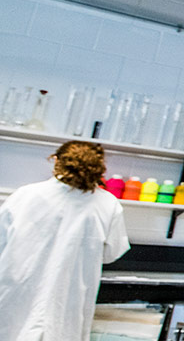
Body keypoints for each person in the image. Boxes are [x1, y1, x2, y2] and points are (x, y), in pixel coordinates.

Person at [0, 141, 130, 341]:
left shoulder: (26, 195)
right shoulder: (107, 204)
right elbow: (111, 254)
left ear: (57, 161)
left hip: (17, 294)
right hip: (68, 298)